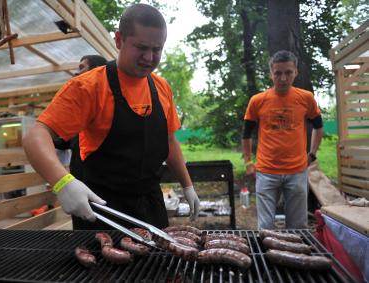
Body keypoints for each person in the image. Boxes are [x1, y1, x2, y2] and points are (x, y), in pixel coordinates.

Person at [23, 4, 200, 230]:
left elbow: (169, 141)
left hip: (150, 203)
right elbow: (35, 136)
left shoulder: (161, 88)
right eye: (141, 47)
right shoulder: (89, 87)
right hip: (103, 209)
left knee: (157, 263)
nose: (149, 57)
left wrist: (187, 185)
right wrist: (63, 182)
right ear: (119, 40)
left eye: (157, 49)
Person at [241, 50, 323, 229]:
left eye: (288, 72)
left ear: (296, 72)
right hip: (266, 172)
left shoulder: (306, 98)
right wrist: (248, 162)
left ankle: (297, 256)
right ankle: (267, 257)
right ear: (271, 74)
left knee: (298, 226)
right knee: (265, 226)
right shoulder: (258, 101)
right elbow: (246, 134)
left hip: (297, 171)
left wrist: (313, 154)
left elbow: (318, 126)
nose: (283, 78)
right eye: (278, 73)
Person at [53, 54, 108, 181]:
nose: (76, 73)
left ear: (96, 70)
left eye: (82, 67)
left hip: (103, 188)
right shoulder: (80, 113)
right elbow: (66, 141)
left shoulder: (109, 107)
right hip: (81, 187)